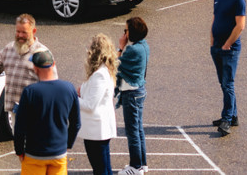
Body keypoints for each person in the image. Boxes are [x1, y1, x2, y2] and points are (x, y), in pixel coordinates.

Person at [0, 14, 52, 128]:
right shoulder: (9, 49)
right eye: (18, 31)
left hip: (35, 112)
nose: (20, 35)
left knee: (34, 145)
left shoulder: (43, 53)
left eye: (24, 32)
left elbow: (51, 86)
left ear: (34, 31)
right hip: (15, 111)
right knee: (19, 144)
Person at [14, 51, 79, 175]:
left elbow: (20, 127)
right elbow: (76, 123)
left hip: (34, 154)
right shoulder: (69, 88)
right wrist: (68, 145)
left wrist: (19, 151)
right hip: (58, 154)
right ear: (53, 64)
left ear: (35, 67)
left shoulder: (30, 92)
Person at [209, 0, 245, 136]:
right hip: (216, 47)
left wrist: (227, 44)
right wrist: (212, 41)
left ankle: (226, 119)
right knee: (224, 83)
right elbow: (215, 19)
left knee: (228, 84)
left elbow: (240, 26)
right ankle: (233, 116)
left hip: (229, 49)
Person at [78, 35, 118, 175]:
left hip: (96, 132)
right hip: (98, 130)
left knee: (100, 170)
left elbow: (90, 105)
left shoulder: (99, 75)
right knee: (104, 169)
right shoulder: (103, 71)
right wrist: (81, 90)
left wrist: (71, 98)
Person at [116, 17, 149, 175]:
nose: (125, 33)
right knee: (138, 129)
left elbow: (116, 64)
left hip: (131, 93)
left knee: (132, 131)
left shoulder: (132, 50)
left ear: (132, 33)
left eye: (126, 30)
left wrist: (120, 47)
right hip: (139, 91)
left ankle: (135, 167)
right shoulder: (144, 45)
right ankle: (142, 164)